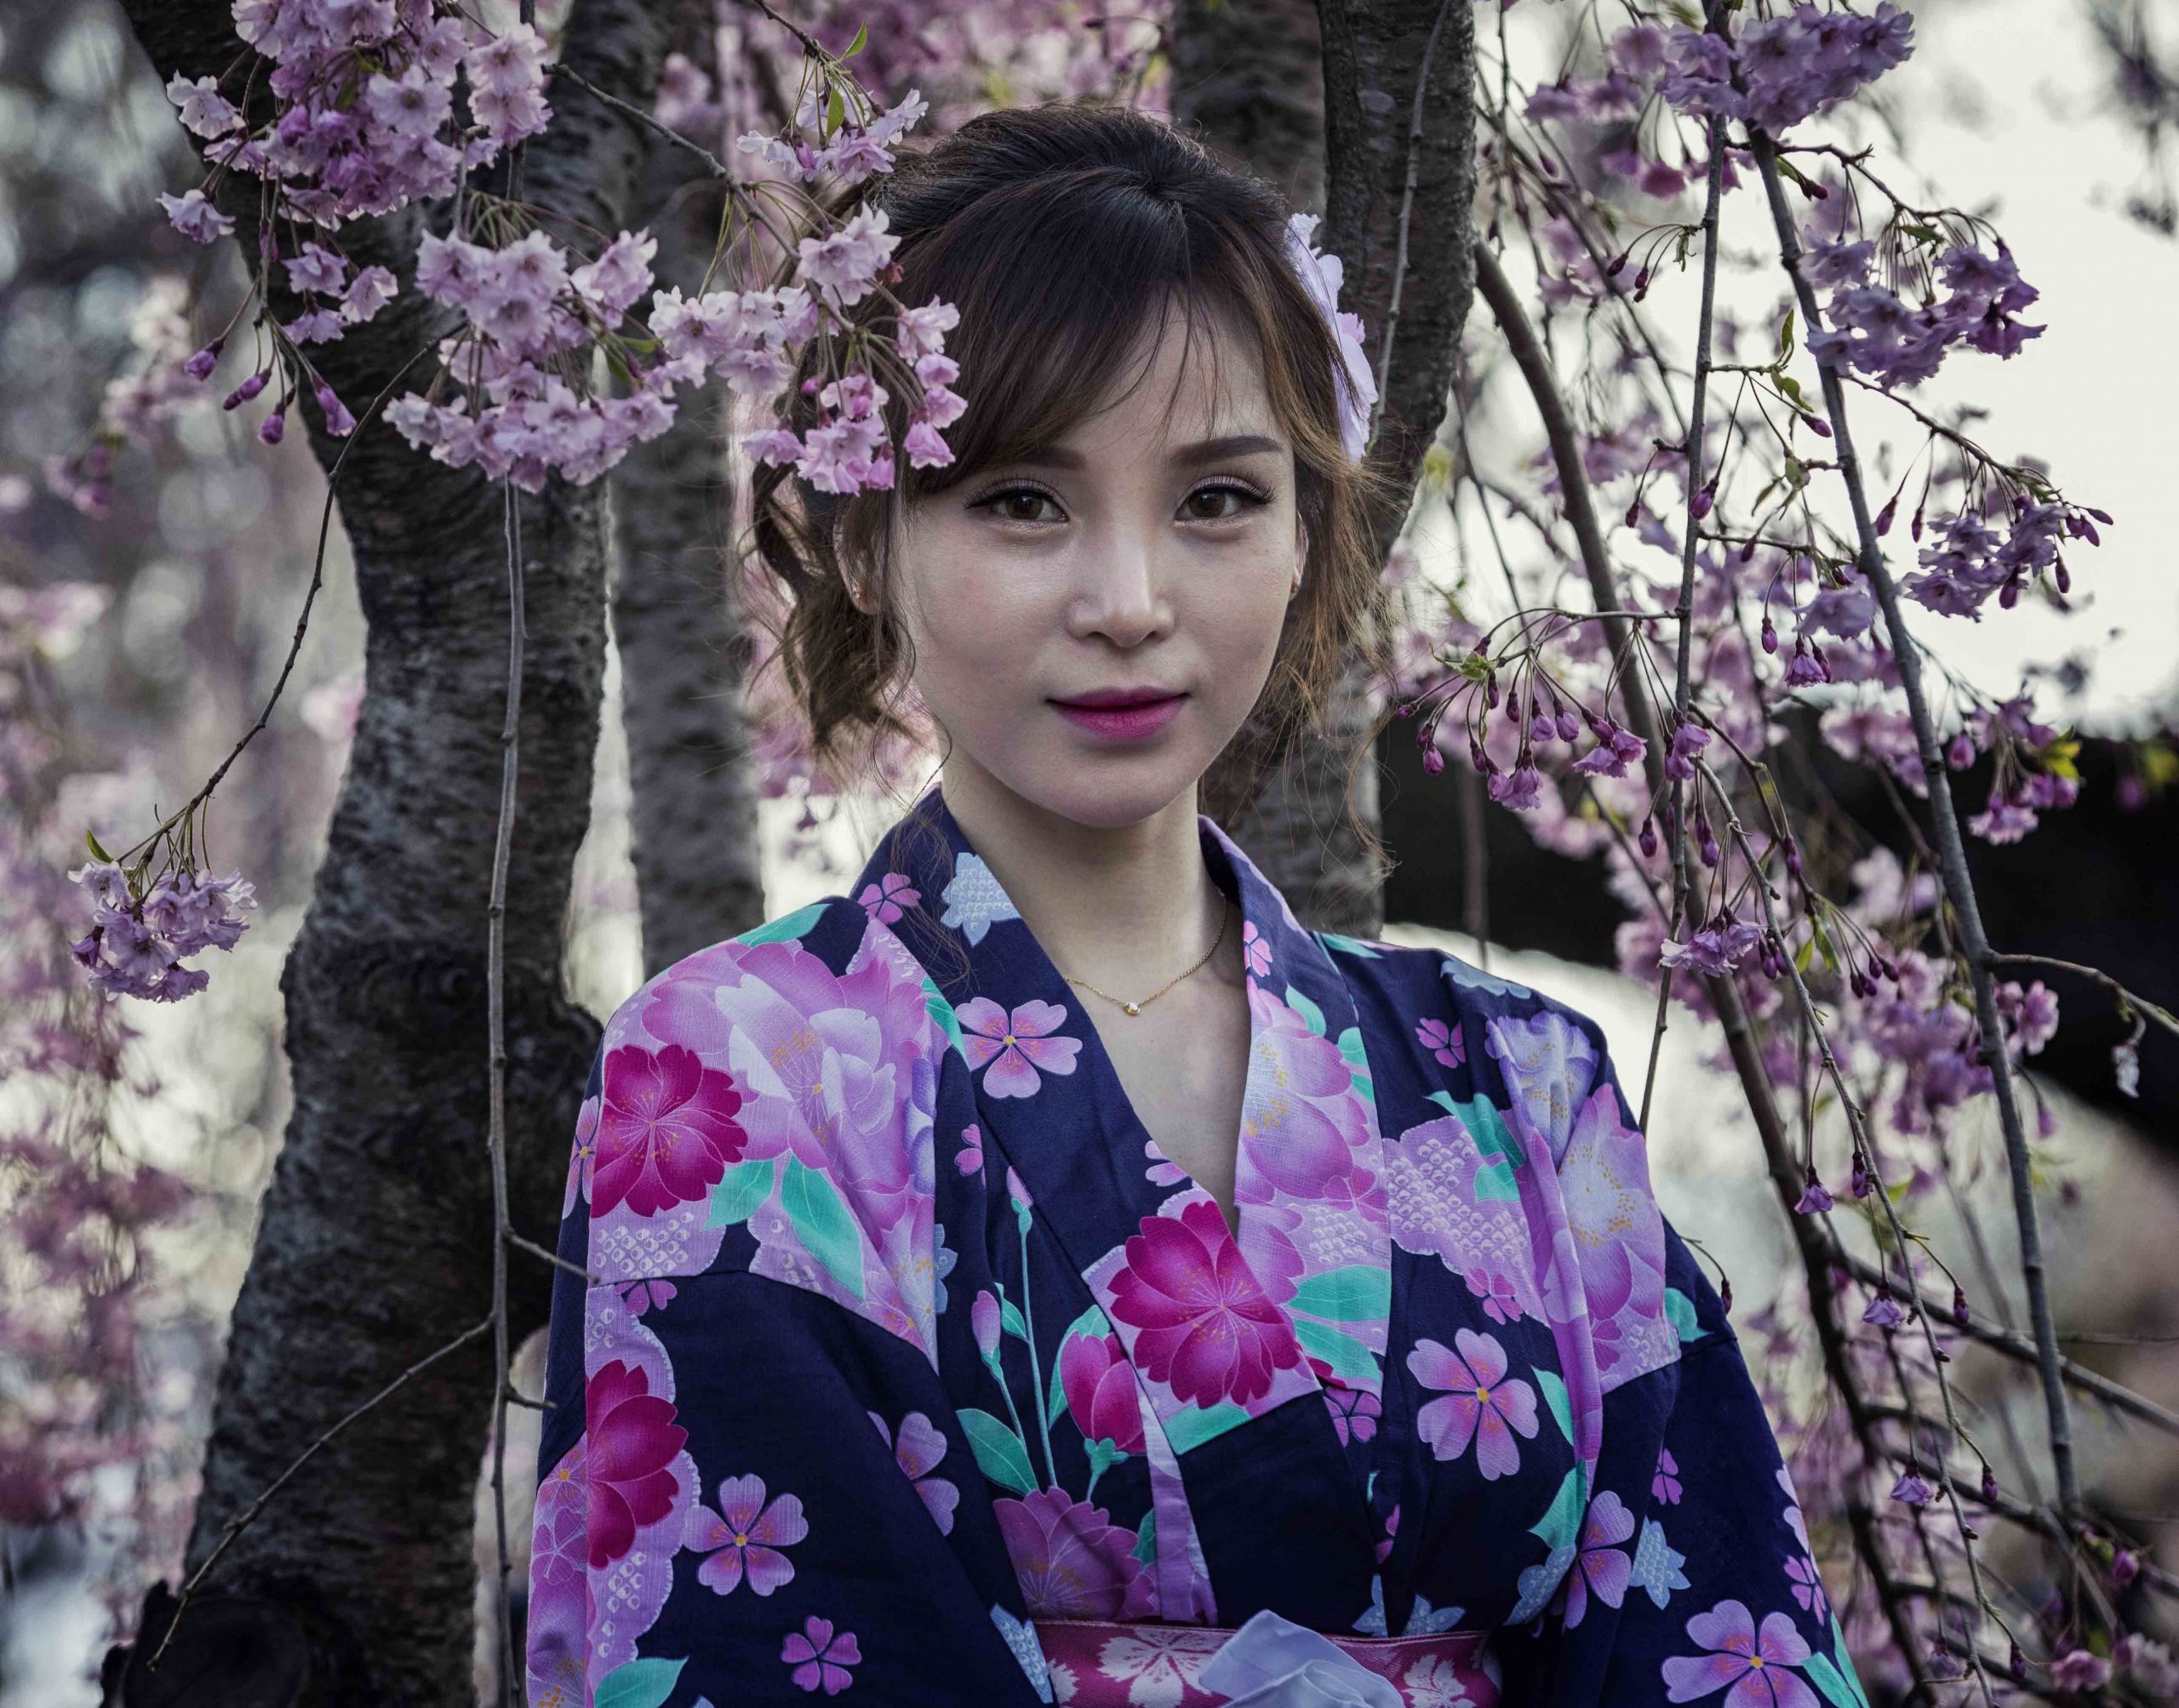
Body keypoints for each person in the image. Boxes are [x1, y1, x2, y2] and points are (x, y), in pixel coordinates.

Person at [524, 101, 1862, 1708]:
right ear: (862, 538)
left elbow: (1720, 1645)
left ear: (1308, 534)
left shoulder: (1518, 1079)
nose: (1131, 602)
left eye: (1217, 499)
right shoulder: (739, 1074)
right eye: (1021, 498)